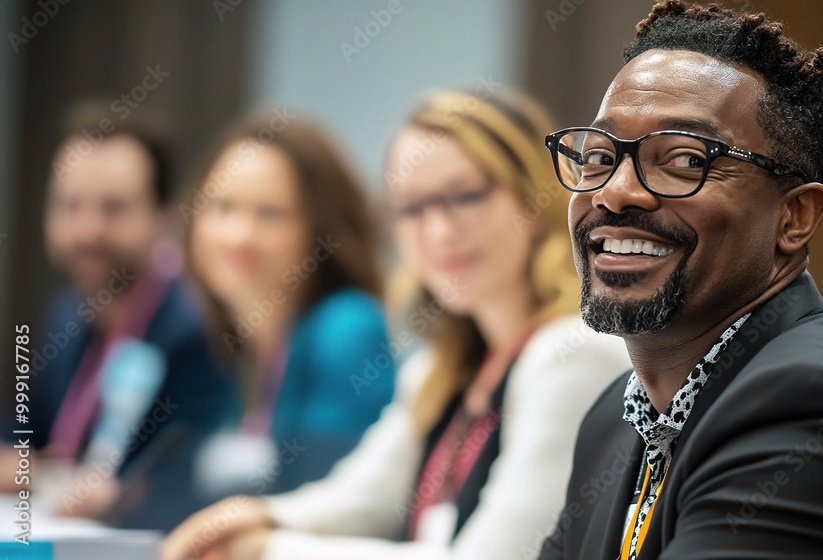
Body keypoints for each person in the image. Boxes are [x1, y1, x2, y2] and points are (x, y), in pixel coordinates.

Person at [535, 2, 823, 559]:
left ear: (795, 217)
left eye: (686, 160)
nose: (615, 192)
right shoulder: (610, 422)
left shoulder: (815, 404)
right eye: (598, 155)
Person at [159, 89, 632, 560]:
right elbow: (360, 500)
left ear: (532, 200)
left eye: (464, 197)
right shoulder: (442, 370)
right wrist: (253, 519)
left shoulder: (571, 352)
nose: (439, 232)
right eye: (412, 208)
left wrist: (267, 548)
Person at [0, 106, 234, 520]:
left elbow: (196, 478)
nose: (87, 230)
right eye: (70, 205)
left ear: (163, 215)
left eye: (113, 208)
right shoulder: (65, 315)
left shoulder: (196, 323)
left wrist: (122, 494)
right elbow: (21, 434)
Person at [179, 113, 396, 507]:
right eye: (223, 207)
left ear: (321, 231)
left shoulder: (346, 328)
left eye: (270, 213)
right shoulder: (235, 340)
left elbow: (328, 507)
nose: (239, 234)